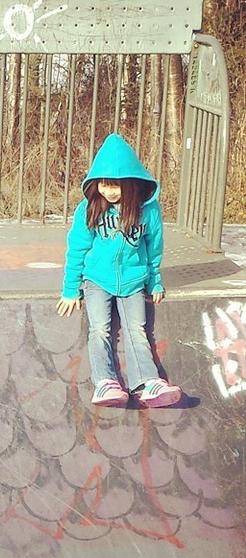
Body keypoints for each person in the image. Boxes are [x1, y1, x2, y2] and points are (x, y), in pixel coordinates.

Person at [57, 132, 182, 408]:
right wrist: (70, 289)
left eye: (116, 185)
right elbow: (76, 248)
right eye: (104, 184)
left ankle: (148, 382)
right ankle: (105, 382)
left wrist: (155, 281)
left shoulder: (147, 211)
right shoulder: (89, 209)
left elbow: (154, 246)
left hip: (133, 278)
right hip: (97, 280)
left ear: (131, 183)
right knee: (100, 329)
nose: (109, 191)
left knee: (137, 329)